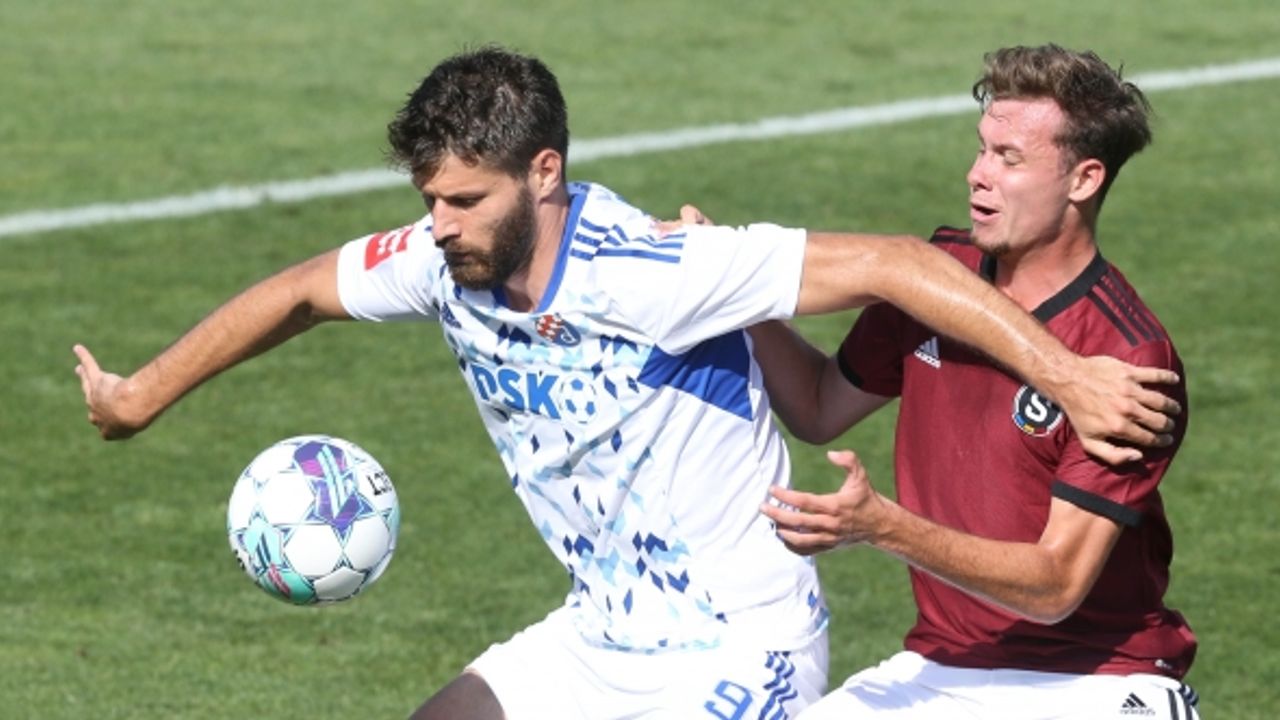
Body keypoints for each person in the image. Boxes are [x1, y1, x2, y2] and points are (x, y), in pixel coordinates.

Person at [73, 46, 1179, 720]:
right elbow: (304, 290)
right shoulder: (441, 259)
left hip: (749, 646)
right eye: (429, 200)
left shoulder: (651, 270)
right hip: (609, 632)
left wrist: (1063, 376)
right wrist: (138, 395)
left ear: (541, 172)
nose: (437, 227)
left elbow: (894, 263)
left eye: (463, 201)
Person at [732, 44, 1199, 719]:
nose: (977, 175)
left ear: (1083, 179)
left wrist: (883, 527)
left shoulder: (1126, 361)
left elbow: (1056, 586)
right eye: (982, 150)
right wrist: (736, 298)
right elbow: (816, 405)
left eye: (1010, 158)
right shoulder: (938, 279)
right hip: (943, 667)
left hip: (1095, 679)